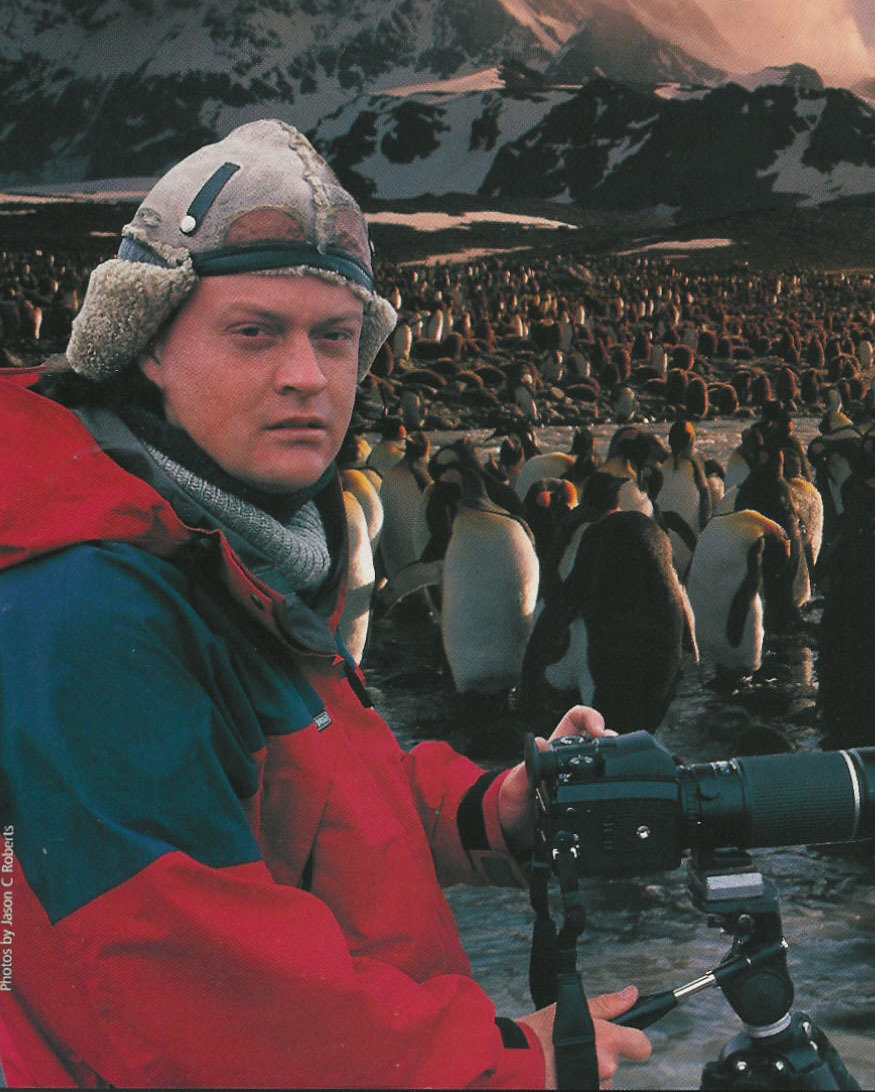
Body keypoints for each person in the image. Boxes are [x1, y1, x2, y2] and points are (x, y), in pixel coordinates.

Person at [0, 119, 650, 1088]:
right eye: (253, 331)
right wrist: (498, 1064)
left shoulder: (215, 544)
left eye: (336, 337)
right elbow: (190, 980)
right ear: (145, 346)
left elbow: (312, 786)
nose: (306, 376)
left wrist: (487, 808)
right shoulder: (88, 602)